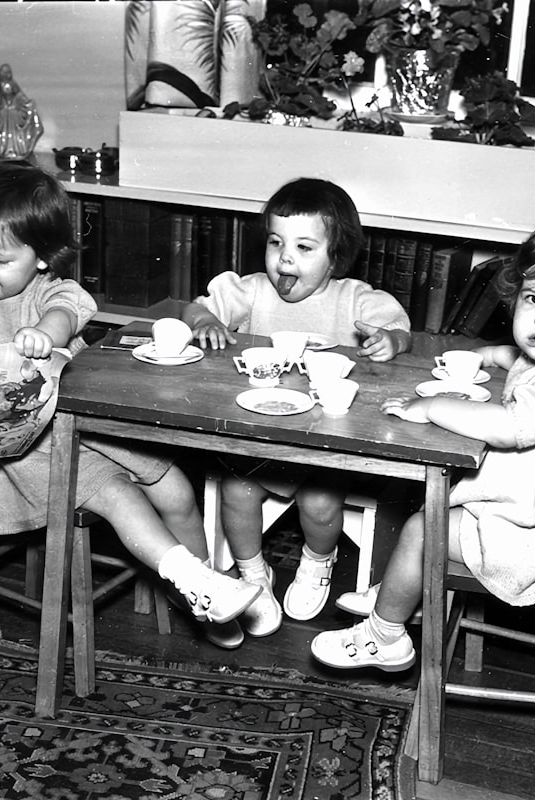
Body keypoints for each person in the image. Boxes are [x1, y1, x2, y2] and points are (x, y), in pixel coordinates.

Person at [0, 161, 260, 648]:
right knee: (119, 496)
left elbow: (68, 310)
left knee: (176, 489)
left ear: (41, 258)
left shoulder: (49, 295)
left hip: (89, 426)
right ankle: (200, 583)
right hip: (22, 454)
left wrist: (47, 334)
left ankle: (201, 592)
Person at [310, 220, 535, 671]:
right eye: (533, 299)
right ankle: (402, 590)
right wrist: (493, 354)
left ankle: (384, 635)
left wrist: (433, 405)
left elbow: (511, 427)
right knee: (435, 498)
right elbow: (525, 362)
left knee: (420, 526)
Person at [180, 177, 412, 642]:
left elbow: (399, 329)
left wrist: (391, 340)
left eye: (305, 247)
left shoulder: (354, 299)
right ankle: (252, 574)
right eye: (275, 242)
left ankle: (317, 561)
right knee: (236, 491)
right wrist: (205, 321)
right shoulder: (252, 290)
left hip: (327, 450)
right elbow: (196, 309)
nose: (285, 259)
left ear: (336, 257)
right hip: (261, 440)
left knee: (320, 501)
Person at [0, 63, 44, 158]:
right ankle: (4, 149)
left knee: (15, 136)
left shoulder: (15, 89)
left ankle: (17, 149)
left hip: (14, 118)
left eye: (7, 72)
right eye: (3, 72)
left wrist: (29, 105)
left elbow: (23, 100)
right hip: (3, 118)